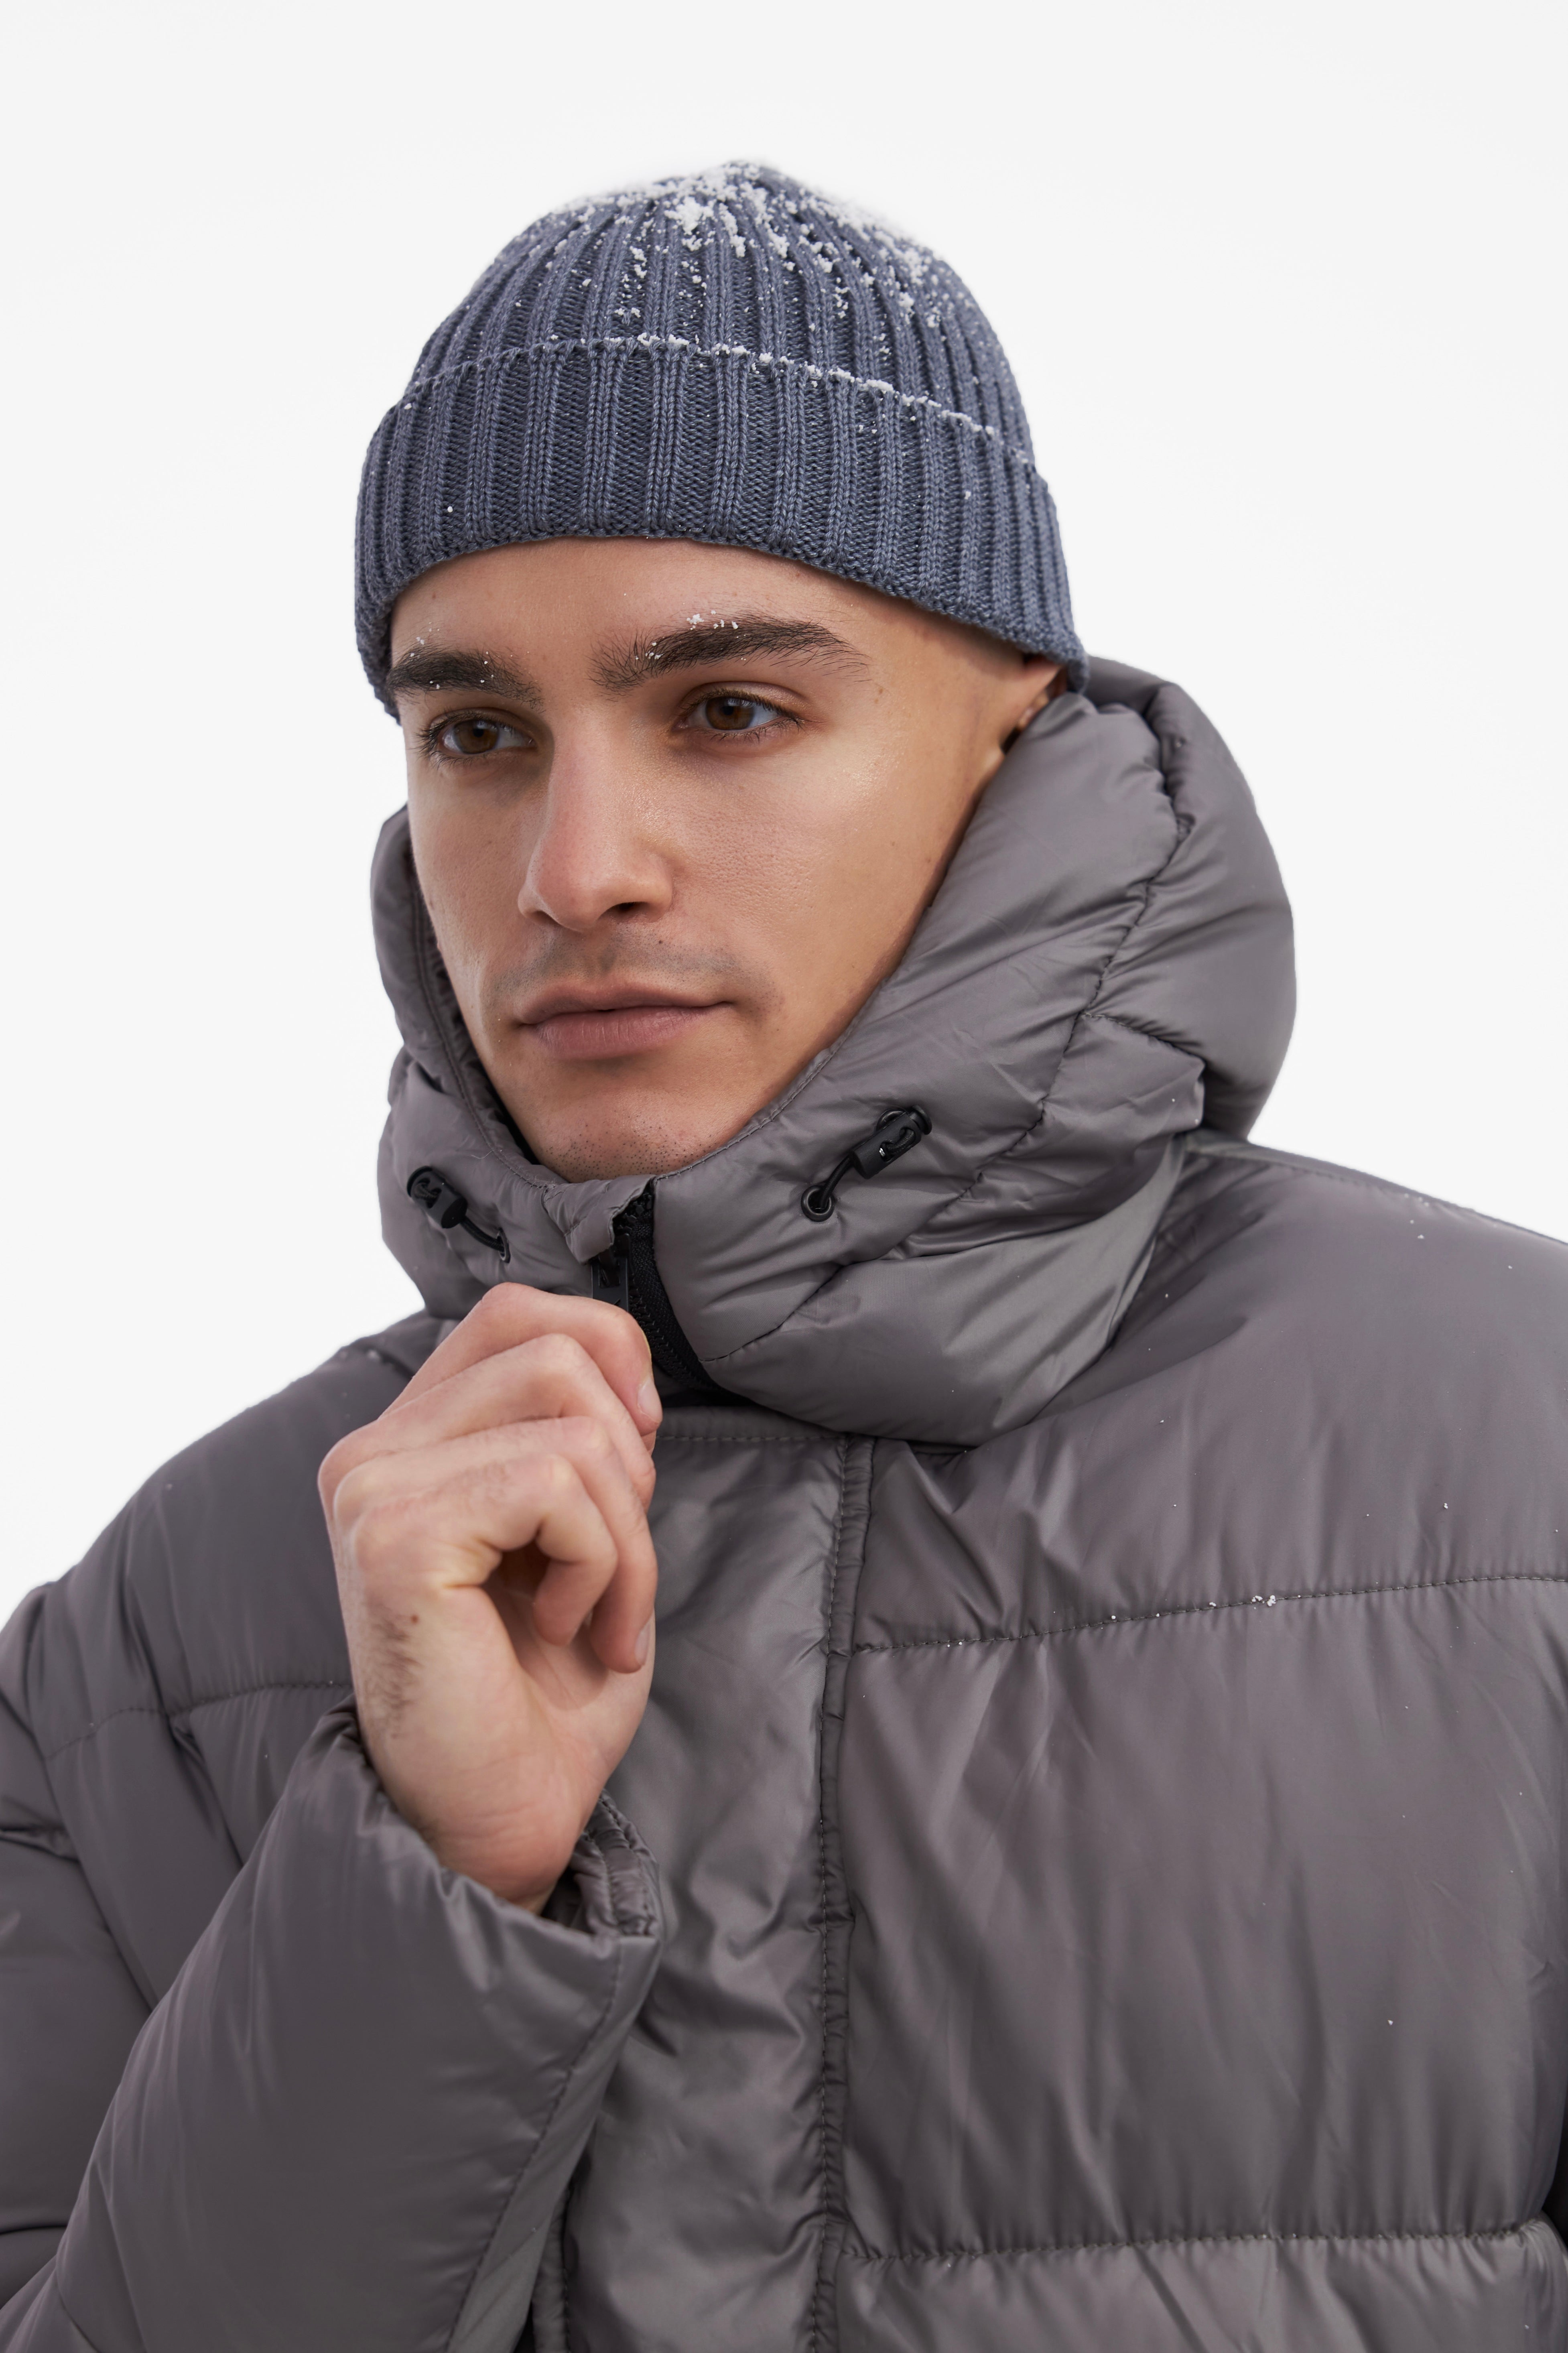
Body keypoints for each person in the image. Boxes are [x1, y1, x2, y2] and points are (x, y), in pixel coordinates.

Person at [2, 161, 1566, 2353]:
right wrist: (419, 1889)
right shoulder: (144, 1656)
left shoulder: (1526, 1473)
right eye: (477, 735)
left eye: (728, 709)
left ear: (1011, 728)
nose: (574, 868)